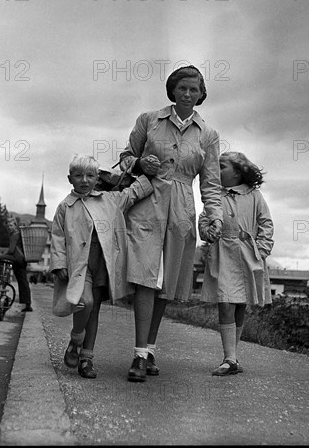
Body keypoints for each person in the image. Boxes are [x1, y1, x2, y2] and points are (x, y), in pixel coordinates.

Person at [119, 65, 223, 382]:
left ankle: (149, 349)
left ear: (201, 94)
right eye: (182, 88)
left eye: (194, 89)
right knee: (145, 278)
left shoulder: (208, 135)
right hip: (147, 204)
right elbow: (124, 158)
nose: (188, 94)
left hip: (181, 210)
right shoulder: (149, 120)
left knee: (164, 285)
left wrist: (214, 216)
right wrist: (139, 163)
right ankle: (138, 355)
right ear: (172, 90)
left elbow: (211, 184)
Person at [49, 154, 153, 379]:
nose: (84, 180)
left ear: (97, 178)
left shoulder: (109, 200)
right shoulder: (65, 207)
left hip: (103, 264)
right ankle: (76, 339)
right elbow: (57, 235)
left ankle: (87, 359)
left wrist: (144, 168)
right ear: (70, 178)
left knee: (93, 309)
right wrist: (58, 263)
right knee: (84, 302)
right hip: (80, 265)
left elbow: (134, 192)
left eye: (90, 175)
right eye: (78, 176)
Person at [199, 151, 273, 376]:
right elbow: (204, 218)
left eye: (222, 166)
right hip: (223, 254)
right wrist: (207, 231)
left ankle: (233, 357)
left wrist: (261, 250)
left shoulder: (254, 195)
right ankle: (229, 357)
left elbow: (266, 223)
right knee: (225, 302)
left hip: (248, 255)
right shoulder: (215, 196)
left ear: (239, 172)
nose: (217, 171)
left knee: (240, 303)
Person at [0, 216, 33, 312]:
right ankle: (28, 304)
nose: (9, 227)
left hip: (16, 257)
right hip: (22, 260)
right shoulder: (19, 233)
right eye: (8, 225)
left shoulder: (14, 234)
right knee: (23, 281)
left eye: (11, 225)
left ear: (15, 226)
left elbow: (11, 250)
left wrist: (2, 255)